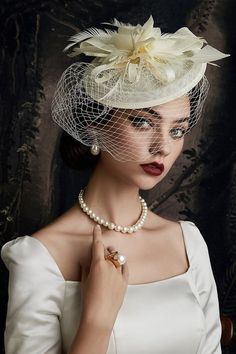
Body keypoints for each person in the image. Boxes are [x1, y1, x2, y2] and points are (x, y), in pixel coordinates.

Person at [1, 16, 230, 354]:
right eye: (142, 122)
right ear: (93, 126)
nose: (163, 146)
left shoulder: (188, 243)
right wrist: (97, 320)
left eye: (177, 130)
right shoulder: (40, 258)